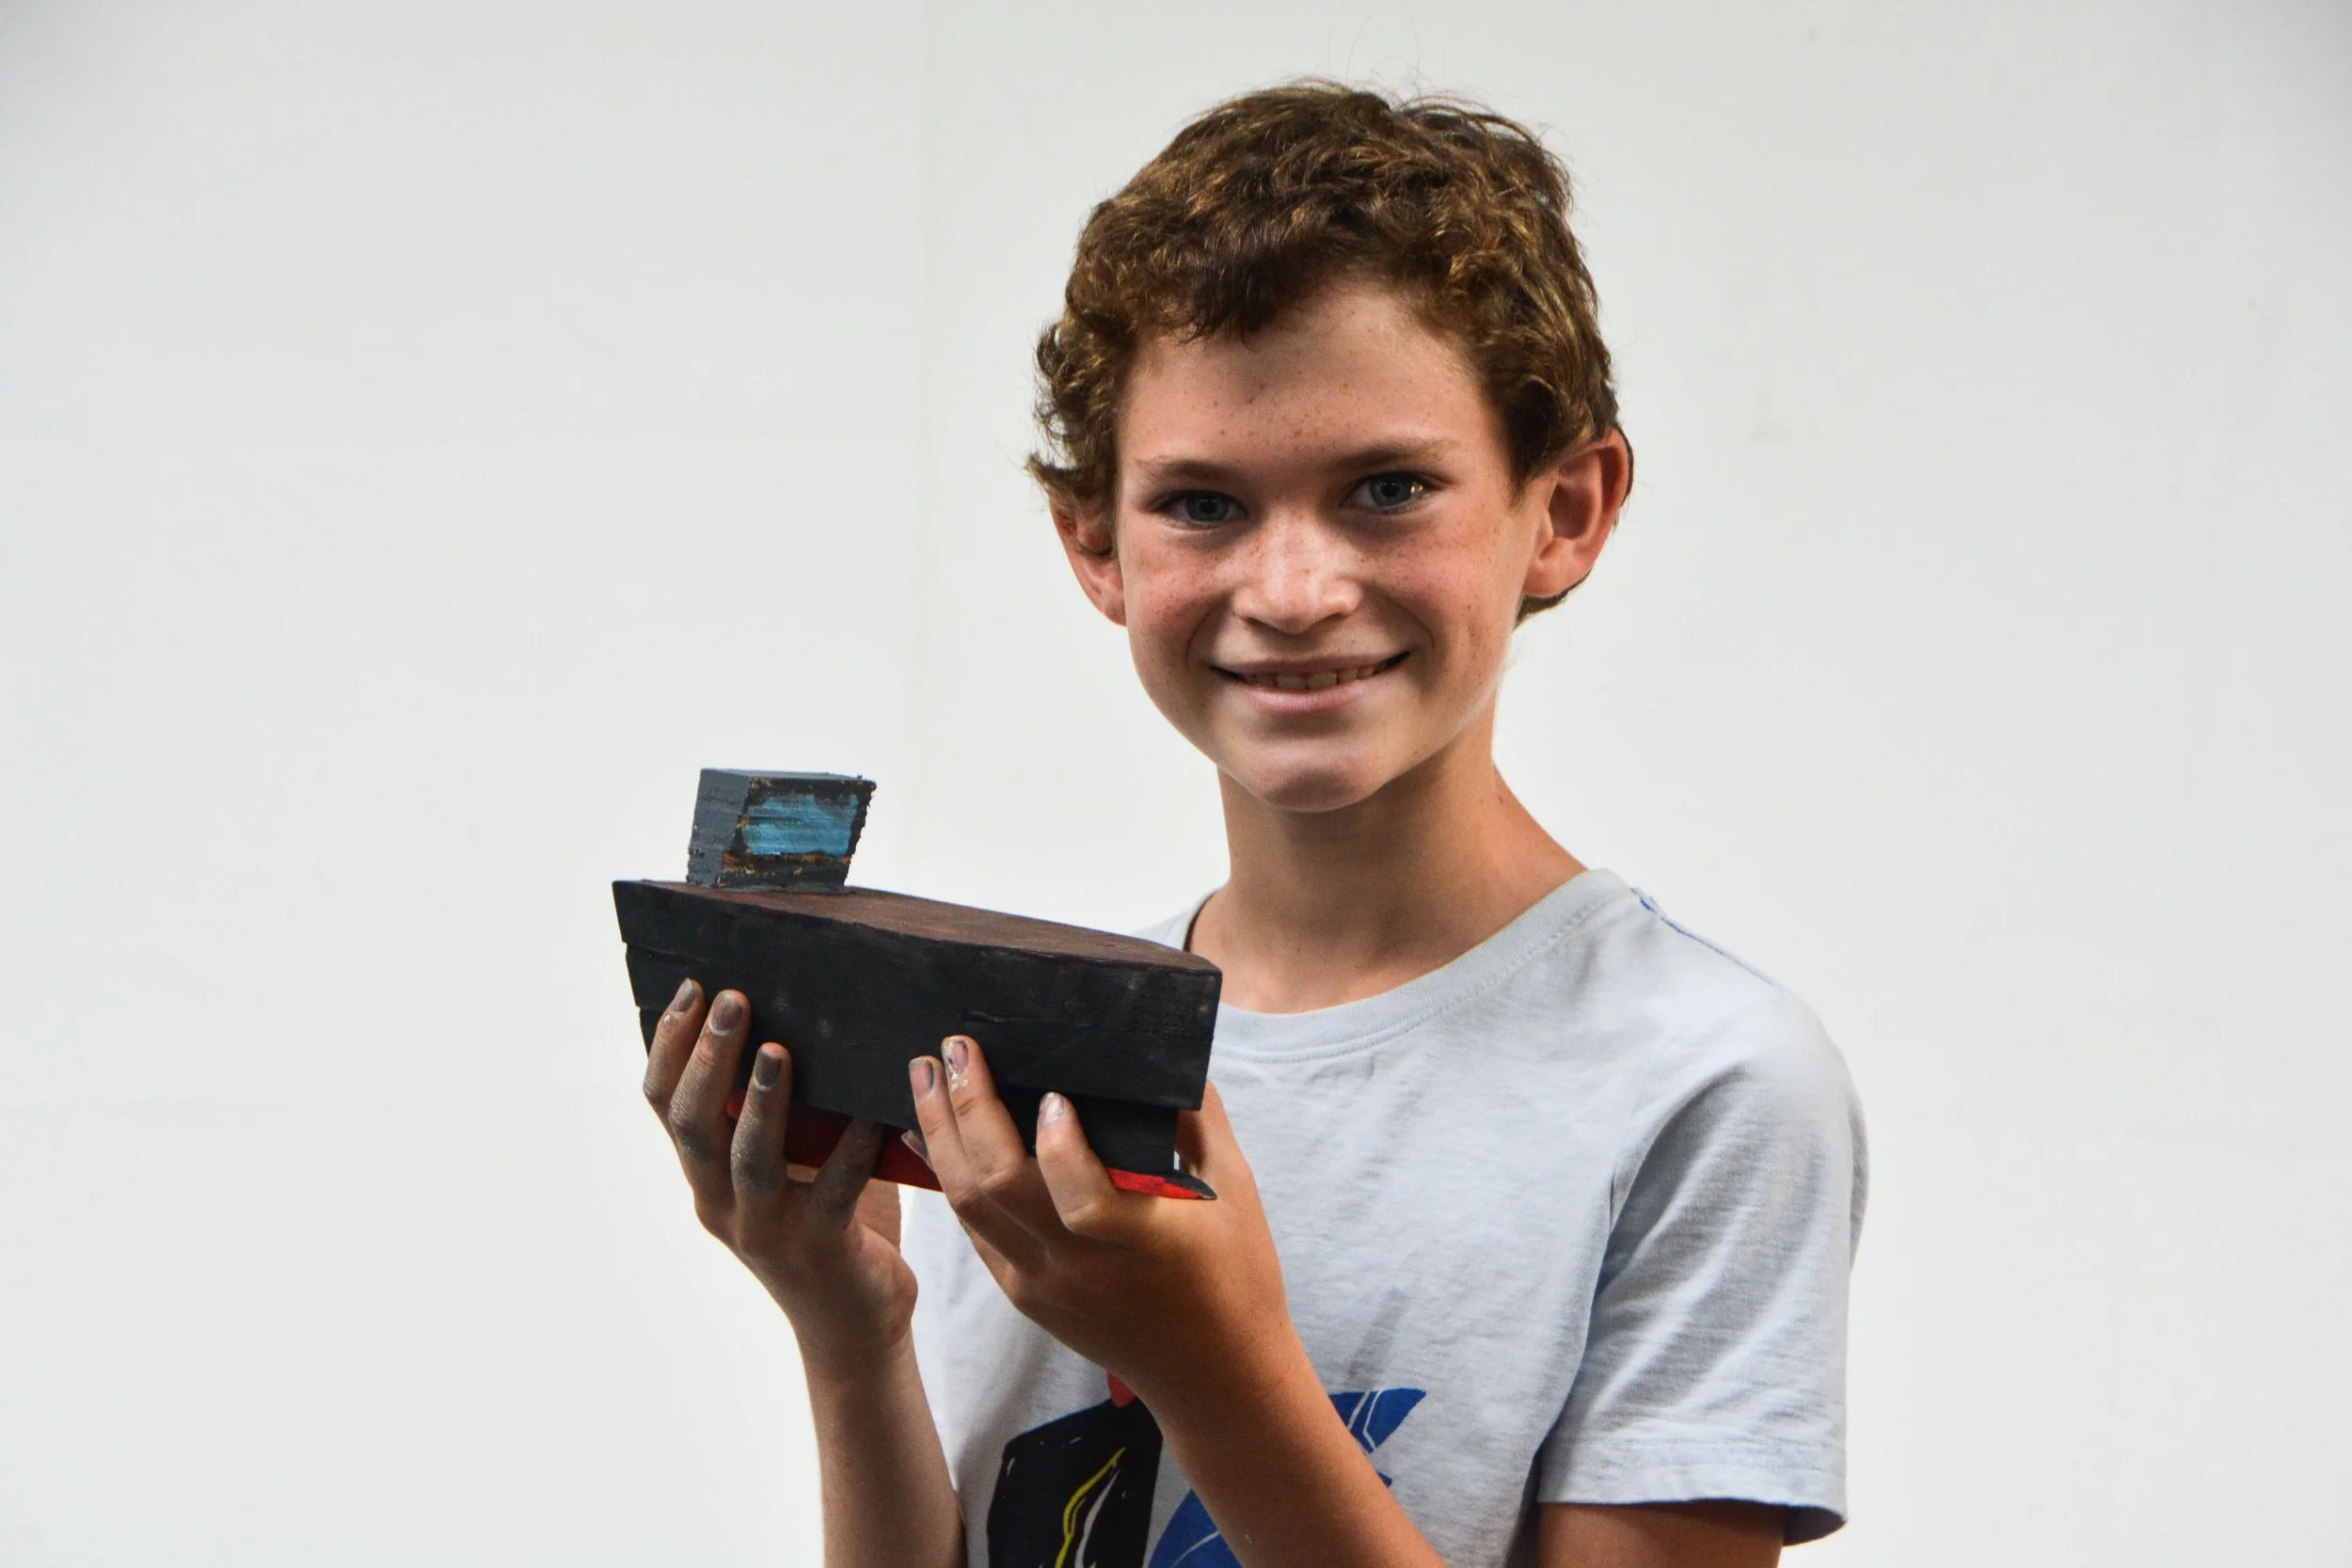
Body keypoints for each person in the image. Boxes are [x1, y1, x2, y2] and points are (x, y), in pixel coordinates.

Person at [639, 82, 1867, 1568]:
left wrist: (1211, 1363)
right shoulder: (1038, 1046)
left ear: (1567, 508)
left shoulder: (1703, 1082)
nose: (1290, 591)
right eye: (1203, 505)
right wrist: (852, 1332)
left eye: (1390, 488)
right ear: (1093, 538)